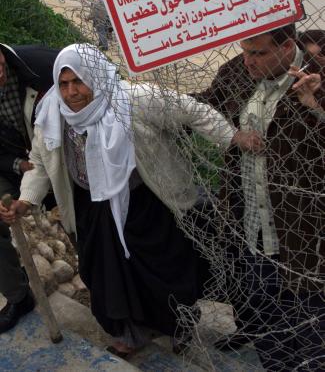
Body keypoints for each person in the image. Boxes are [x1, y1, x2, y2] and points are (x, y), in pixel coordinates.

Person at [0, 44, 253, 356]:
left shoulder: (132, 99)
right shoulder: (52, 113)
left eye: (79, 81)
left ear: (95, 77)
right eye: (64, 84)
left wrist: (232, 137)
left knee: (162, 270)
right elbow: (40, 163)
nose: (71, 93)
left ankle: (177, 326)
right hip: (91, 207)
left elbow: (191, 110)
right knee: (105, 275)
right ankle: (129, 334)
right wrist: (25, 201)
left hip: (144, 203)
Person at [195, 24, 324, 371]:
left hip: (307, 237)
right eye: (245, 51)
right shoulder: (237, 71)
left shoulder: (319, 76)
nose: (249, 61)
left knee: (313, 332)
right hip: (252, 228)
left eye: (259, 53)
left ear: (288, 47)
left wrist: (316, 105)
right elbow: (205, 106)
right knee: (269, 325)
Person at [0, 43, 58, 334]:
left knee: (83, 226)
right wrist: (16, 165)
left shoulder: (45, 66)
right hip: (12, 165)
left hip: (59, 159)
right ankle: (18, 296)